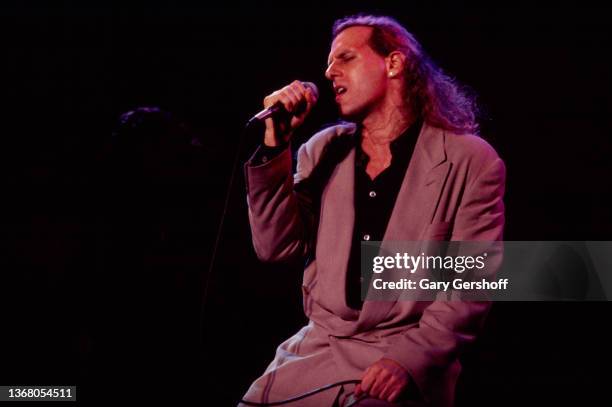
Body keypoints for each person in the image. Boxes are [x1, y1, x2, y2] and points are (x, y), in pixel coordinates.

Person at [241, 14, 505, 407]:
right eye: (329, 63)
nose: (329, 72)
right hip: (317, 350)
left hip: (400, 353)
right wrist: (276, 147)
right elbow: (275, 247)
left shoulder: (470, 160)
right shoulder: (323, 149)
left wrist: (409, 362)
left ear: (394, 63)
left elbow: (471, 287)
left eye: (345, 58)